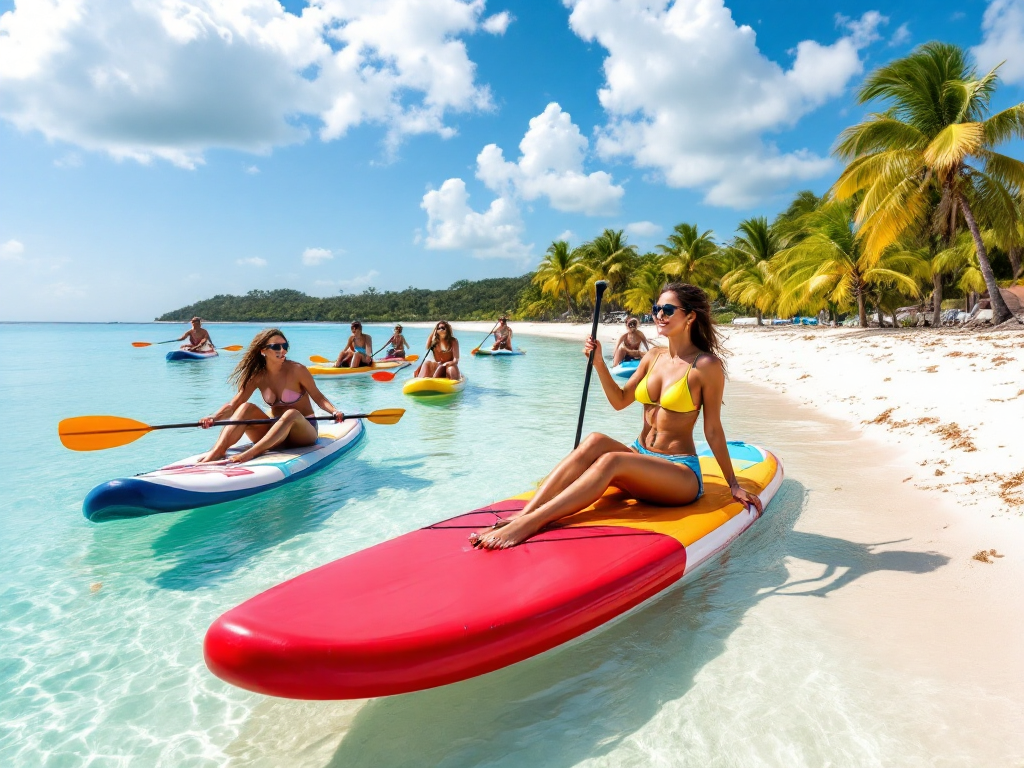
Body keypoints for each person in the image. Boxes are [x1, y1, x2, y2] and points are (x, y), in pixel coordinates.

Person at [470, 282, 763, 549]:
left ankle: (532, 523)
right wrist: (599, 363)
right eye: (656, 309)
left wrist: (733, 485)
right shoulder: (654, 356)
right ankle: (524, 513)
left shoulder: (705, 365)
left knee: (612, 460)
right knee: (595, 440)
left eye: (668, 309)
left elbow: (713, 429)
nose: (659, 315)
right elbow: (621, 401)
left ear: (690, 317)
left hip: (679, 473)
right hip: (640, 456)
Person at [198, 329, 345, 464]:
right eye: (276, 347)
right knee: (245, 408)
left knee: (291, 414)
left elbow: (319, 397)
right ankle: (218, 451)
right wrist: (213, 418)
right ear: (263, 351)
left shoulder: (297, 370)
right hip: (274, 434)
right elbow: (234, 405)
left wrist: (334, 411)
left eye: (285, 346)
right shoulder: (257, 376)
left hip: (302, 434)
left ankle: (252, 453)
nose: (282, 350)